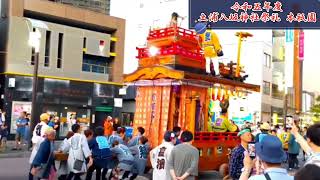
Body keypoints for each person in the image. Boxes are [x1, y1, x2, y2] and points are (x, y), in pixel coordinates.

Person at [29, 113, 50, 180]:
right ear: (46, 119)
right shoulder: (46, 127)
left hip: (35, 145)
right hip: (42, 146)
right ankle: (38, 178)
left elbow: (34, 135)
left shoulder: (37, 125)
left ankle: (30, 178)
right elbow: (47, 136)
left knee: (34, 164)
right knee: (41, 165)